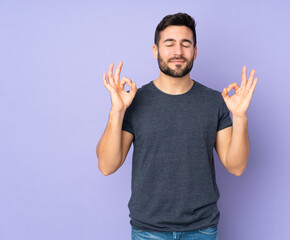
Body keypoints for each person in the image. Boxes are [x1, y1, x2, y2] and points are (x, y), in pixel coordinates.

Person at [96, 12, 258, 240]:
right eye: (169, 44)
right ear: (155, 51)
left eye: (186, 44)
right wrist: (117, 111)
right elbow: (106, 165)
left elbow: (236, 166)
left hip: (201, 229)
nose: (178, 52)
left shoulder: (215, 102)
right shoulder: (134, 101)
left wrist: (240, 117)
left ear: (195, 52)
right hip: (148, 231)